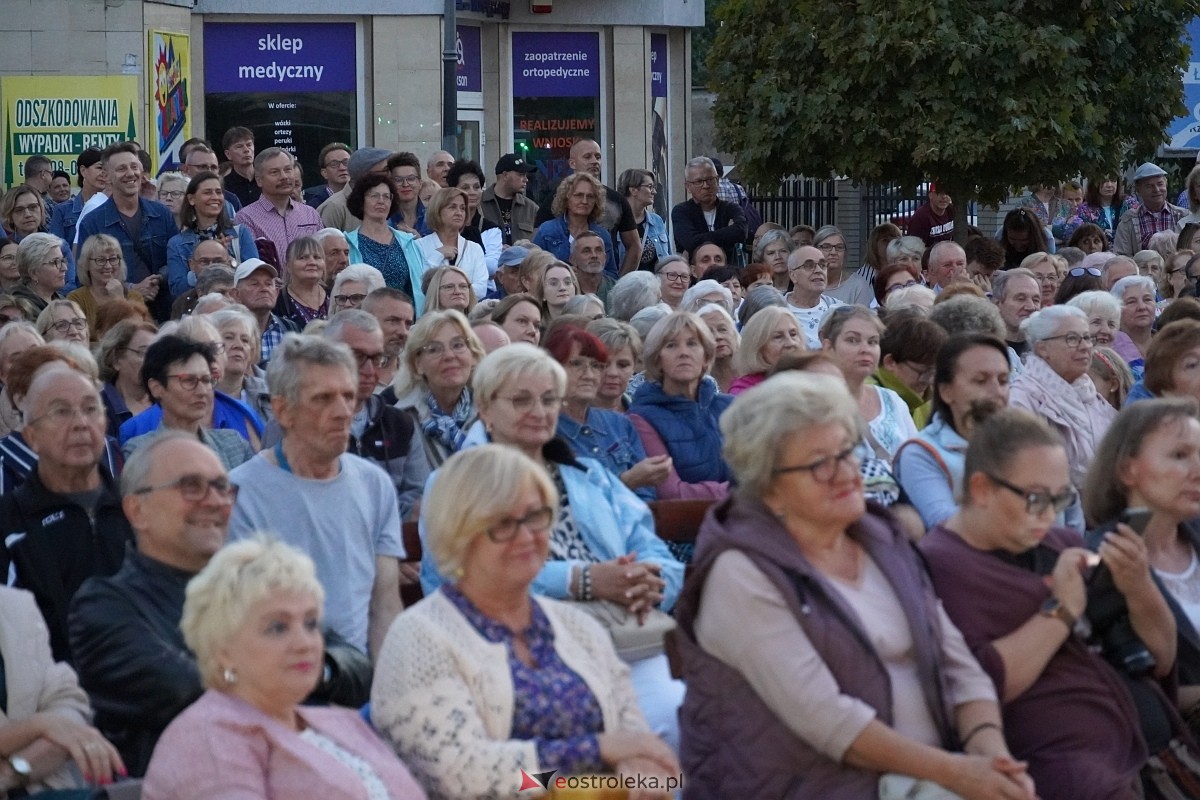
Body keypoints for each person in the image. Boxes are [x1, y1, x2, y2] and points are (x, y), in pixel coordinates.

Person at [674, 372, 1032, 799]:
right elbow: (827, 720)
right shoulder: (740, 571)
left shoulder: (880, 538)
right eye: (819, 464)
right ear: (768, 488)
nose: (846, 473)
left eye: (848, 452)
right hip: (812, 785)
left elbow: (956, 662)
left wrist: (990, 754)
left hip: (926, 775)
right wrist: (958, 775)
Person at [373, 444, 677, 799]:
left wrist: (646, 778)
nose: (527, 536)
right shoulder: (420, 639)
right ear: (458, 534)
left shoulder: (579, 629)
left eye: (536, 516)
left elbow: (648, 759)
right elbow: (462, 778)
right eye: (502, 523)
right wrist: (595, 760)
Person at [419, 345, 686, 748]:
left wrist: (645, 580)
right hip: (519, 653)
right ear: (486, 410)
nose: (539, 411)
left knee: (679, 719)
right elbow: (456, 575)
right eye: (521, 400)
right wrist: (583, 580)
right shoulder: (455, 484)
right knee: (571, 764)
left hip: (623, 638)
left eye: (548, 399)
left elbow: (653, 551)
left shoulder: (589, 474)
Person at [68, 432, 372, 776]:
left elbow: (356, 666)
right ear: (138, 510)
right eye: (191, 487)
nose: (214, 501)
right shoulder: (104, 607)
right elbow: (187, 690)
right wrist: (297, 670)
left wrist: (315, 669)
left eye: (222, 487)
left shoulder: (258, 585)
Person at [921, 409, 1175, 800]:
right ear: (982, 488)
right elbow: (980, 685)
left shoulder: (1061, 546)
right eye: (1036, 498)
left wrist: (1139, 585)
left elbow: (1161, 658)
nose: (1050, 515)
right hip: (1062, 768)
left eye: (1060, 499)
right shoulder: (940, 565)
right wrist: (1061, 610)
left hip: (1142, 744)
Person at [141, 537, 426, 799]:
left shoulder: (341, 723)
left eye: (311, 623)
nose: (305, 643)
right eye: (277, 627)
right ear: (223, 649)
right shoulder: (207, 740)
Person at [229, 334, 406, 658]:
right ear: (283, 410)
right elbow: (244, 617)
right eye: (323, 399)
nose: (343, 412)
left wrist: (382, 692)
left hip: (358, 683)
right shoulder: (242, 493)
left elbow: (385, 605)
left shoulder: (374, 485)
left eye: (348, 396)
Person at [0, 365, 134, 662]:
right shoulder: (10, 525)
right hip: (51, 695)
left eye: (91, 409)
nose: (80, 423)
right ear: (31, 436)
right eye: (61, 412)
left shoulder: (139, 510)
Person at [1083, 399, 1200, 732]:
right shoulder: (1099, 563)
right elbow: (1120, 693)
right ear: (1127, 470)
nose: (1197, 469)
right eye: (1180, 456)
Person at [0, 584, 125, 796]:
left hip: (40, 787)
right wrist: (39, 725)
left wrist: (14, 771)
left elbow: (67, 703)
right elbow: (57, 725)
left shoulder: (14, 604)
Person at [1009, 305, 1116, 526]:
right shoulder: (1021, 400)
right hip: (1057, 522)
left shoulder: (1090, 394)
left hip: (1106, 513)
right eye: (1072, 339)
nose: (1085, 347)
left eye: (1087, 338)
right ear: (1042, 348)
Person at [319, 310, 429, 518]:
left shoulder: (400, 423)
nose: (369, 370)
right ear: (326, 356)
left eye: (377, 358)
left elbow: (417, 495)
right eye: (357, 356)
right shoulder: (298, 423)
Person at [894, 334, 1012, 529]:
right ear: (946, 391)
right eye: (980, 381)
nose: (997, 391)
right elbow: (943, 523)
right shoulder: (920, 453)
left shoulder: (1021, 443)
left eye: (1003, 380)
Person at [548, 324, 668, 502]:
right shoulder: (544, 432)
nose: (589, 375)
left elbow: (647, 495)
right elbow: (568, 504)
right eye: (576, 364)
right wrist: (626, 482)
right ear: (552, 369)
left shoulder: (620, 424)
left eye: (596, 366)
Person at [628, 312, 733, 500]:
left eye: (692, 343)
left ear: (706, 357)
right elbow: (672, 492)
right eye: (671, 345)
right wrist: (738, 493)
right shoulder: (641, 419)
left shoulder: (731, 407)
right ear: (657, 360)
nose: (683, 352)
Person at [122, 334, 255, 470]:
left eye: (206, 380)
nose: (202, 391)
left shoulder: (234, 445)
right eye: (188, 381)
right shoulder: (140, 452)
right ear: (156, 387)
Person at [75, 143, 171, 319]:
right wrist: (131, 289)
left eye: (134, 167)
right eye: (121, 169)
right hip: (118, 315)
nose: (130, 173)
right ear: (107, 177)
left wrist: (155, 281)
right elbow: (84, 275)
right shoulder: (92, 222)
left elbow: (175, 259)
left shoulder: (162, 214)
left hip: (162, 310)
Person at [821, 305, 918, 457]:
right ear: (828, 347)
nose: (865, 349)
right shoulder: (812, 404)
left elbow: (916, 459)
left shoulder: (892, 400)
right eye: (852, 340)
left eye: (873, 342)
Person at [392, 310, 485, 467]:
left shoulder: (493, 413)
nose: (449, 356)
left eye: (458, 345)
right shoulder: (398, 420)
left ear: (473, 355)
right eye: (434, 349)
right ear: (417, 364)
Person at [165, 171, 258, 298]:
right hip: (197, 312)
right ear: (192, 199)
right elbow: (177, 289)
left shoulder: (240, 234)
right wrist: (203, 267)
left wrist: (229, 262)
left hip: (236, 310)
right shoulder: (177, 243)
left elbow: (255, 277)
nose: (215, 197)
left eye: (218, 192)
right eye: (207, 192)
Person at [344, 173, 425, 307]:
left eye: (386, 196)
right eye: (374, 196)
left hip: (405, 319)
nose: (381, 201)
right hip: (366, 319)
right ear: (361, 201)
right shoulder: (348, 243)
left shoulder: (408, 242)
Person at [232, 147, 323, 265]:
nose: (284, 176)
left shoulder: (310, 214)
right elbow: (250, 266)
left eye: (288, 170)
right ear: (259, 180)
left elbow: (322, 256)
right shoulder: (246, 218)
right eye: (275, 172)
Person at [870, 311, 946, 427]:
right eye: (923, 372)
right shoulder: (867, 400)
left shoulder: (927, 402)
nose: (929, 380)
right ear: (890, 362)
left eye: (934, 372)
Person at [534, 173, 618, 277]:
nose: (584, 201)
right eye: (578, 195)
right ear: (566, 198)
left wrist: (590, 273)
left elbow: (612, 275)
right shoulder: (547, 231)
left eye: (590, 196)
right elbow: (533, 270)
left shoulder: (603, 235)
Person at [671, 156, 748, 265]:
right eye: (699, 181)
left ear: (717, 180)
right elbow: (690, 241)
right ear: (688, 186)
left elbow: (741, 232)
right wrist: (728, 232)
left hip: (728, 274)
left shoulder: (731, 208)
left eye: (710, 180)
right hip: (694, 276)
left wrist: (700, 238)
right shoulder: (681, 211)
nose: (706, 186)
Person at [416, 187, 488, 299]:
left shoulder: (474, 248)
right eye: (452, 207)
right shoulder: (419, 246)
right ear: (437, 210)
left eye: (463, 208)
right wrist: (438, 256)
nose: (459, 213)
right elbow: (420, 284)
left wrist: (451, 292)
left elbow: (481, 289)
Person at [69, 233, 145, 334]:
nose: (108, 266)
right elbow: (77, 340)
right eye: (101, 260)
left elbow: (138, 335)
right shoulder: (76, 299)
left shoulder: (135, 297)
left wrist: (120, 301)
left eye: (113, 259)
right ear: (86, 264)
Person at [96, 319, 156, 438]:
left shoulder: (166, 403)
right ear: (116, 359)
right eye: (143, 353)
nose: (153, 360)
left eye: (156, 353)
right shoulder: (99, 408)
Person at [211, 307, 272, 425]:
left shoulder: (271, 394)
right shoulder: (196, 396)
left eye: (245, 340)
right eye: (229, 337)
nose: (239, 345)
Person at [1115, 162, 1188, 256]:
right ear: (1138, 191)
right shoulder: (1128, 221)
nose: (1157, 190)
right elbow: (1122, 256)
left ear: (1166, 185)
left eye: (1160, 184)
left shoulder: (1182, 216)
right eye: (1149, 186)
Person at [729, 305, 805, 395]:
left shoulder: (814, 378)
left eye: (793, 334)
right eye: (778, 337)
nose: (791, 343)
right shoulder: (744, 392)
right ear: (758, 347)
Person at [784, 245, 845, 348]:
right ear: (793, 276)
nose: (818, 270)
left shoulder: (840, 310)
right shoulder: (776, 310)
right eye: (809, 265)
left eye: (822, 265)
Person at [49, 147, 105, 249]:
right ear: (83, 170)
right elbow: (56, 249)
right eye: (100, 168)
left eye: (107, 169)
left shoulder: (114, 207)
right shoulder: (63, 211)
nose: (104, 173)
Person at [619, 167, 672, 272]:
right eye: (650, 187)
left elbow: (669, 257)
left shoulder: (656, 221)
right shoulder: (616, 223)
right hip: (626, 285)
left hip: (656, 285)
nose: (654, 192)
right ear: (633, 190)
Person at [362, 287, 415, 388]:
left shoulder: (418, 378)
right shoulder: (345, 377)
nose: (403, 332)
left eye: (408, 324)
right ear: (367, 320)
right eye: (393, 321)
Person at [273, 235, 329, 327]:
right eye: (303, 257)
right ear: (288, 266)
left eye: (317, 257)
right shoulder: (277, 302)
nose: (312, 262)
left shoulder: (336, 296)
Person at [588, 318, 643, 411]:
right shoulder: (563, 416)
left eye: (623, 365)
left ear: (634, 367)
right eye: (603, 365)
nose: (613, 373)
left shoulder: (644, 416)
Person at [1111, 274, 1158, 378]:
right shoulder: (1110, 349)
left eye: (1147, 299)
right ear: (1117, 309)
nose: (1142, 307)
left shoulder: (1169, 343)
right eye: (1131, 302)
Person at [11, 232, 69, 315]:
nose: (64, 268)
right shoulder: (20, 309)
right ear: (33, 273)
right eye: (55, 262)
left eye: (62, 260)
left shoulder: (62, 301)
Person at [816, 225, 873, 306]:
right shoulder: (806, 284)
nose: (833, 252)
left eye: (839, 247)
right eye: (826, 247)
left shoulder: (858, 286)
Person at [992, 267, 1042, 359]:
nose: (1030, 307)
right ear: (997, 303)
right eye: (1020, 299)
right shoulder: (985, 348)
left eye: (1035, 300)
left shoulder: (1046, 351)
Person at [698, 303, 739, 393]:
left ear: (734, 334)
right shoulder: (697, 382)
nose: (718, 337)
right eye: (709, 332)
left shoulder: (753, 371)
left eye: (722, 329)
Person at [304, 143, 351, 209]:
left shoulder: (364, 199)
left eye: (346, 162)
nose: (342, 168)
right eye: (334, 164)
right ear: (324, 173)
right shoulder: (315, 206)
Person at [754, 228, 795, 293]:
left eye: (783, 251)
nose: (778, 257)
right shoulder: (756, 288)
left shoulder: (802, 285)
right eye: (771, 253)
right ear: (762, 258)